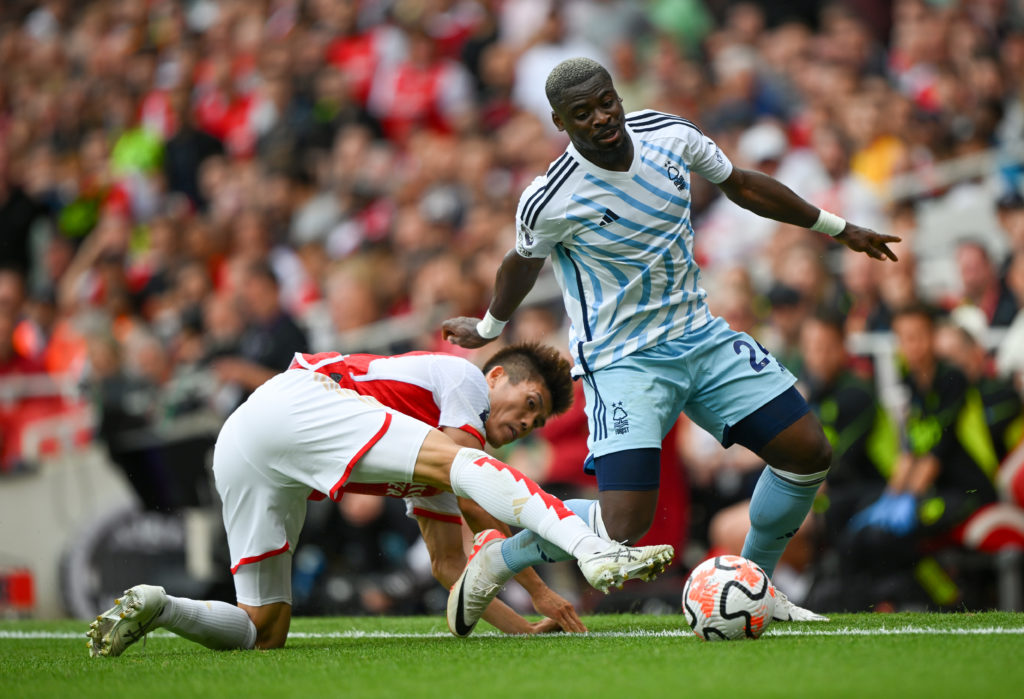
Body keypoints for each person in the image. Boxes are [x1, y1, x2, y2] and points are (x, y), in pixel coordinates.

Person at [442, 57, 900, 622]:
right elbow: (521, 263)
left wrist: (837, 227)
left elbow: (741, 185)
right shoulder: (551, 196)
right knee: (623, 528)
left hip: (699, 337)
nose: (602, 118)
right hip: (623, 362)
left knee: (808, 452)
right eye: (582, 114)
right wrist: (488, 328)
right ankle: (501, 557)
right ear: (562, 124)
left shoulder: (670, 134)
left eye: (606, 101)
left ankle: (758, 588)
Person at [86, 342, 673, 656]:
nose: (526, 421)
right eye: (529, 402)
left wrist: (524, 632)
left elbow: (450, 567)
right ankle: (590, 548)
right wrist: (542, 587)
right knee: (475, 469)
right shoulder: (464, 380)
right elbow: (471, 483)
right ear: (496, 378)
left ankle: (160, 607)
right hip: (301, 402)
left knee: (262, 630)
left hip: (246, 441)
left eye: (536, 420)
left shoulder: (438, 455)